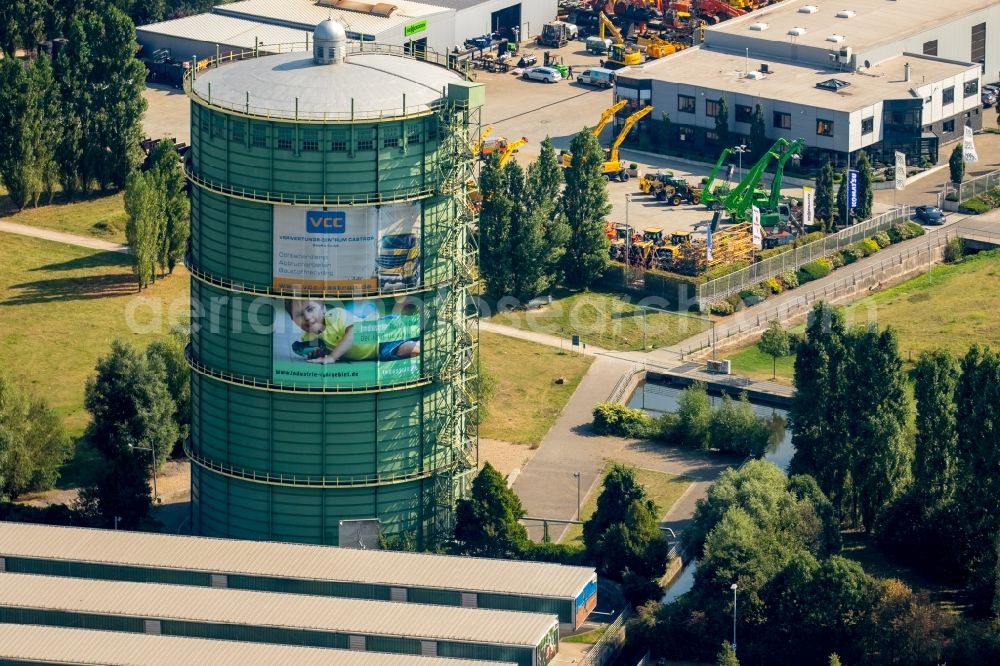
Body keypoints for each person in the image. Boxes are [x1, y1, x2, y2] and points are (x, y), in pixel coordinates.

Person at [285, 299, 419, 365]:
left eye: (310, 309)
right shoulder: (308, 339)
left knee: (417, 326)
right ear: (293, 320)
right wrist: (317, 354)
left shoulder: (335, 315)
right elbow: (320, 351)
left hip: (382, 330)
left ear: (322, 306)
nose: (307, 317)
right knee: (408, 350)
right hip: (380, 350)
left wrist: (332, 357)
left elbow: (354, 333)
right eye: (299, 314)